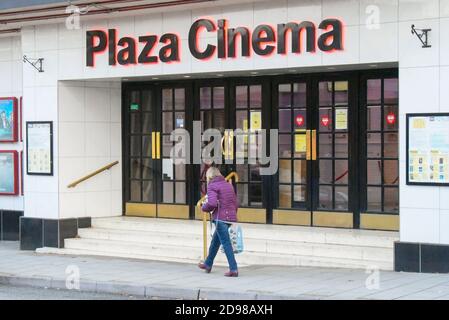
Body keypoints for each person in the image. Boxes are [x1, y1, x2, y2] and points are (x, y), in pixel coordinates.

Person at [198, 167, 239, 277]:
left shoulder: (212, 186)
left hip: (220, 218)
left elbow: (211, 204)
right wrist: (233, 215)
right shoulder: (228, 185)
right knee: (215, 242)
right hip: (230, 218)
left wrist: (203, 208)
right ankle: (208, 264)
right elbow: (235, 203)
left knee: (226, 243)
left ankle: (233, 269)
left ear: (210, 176)